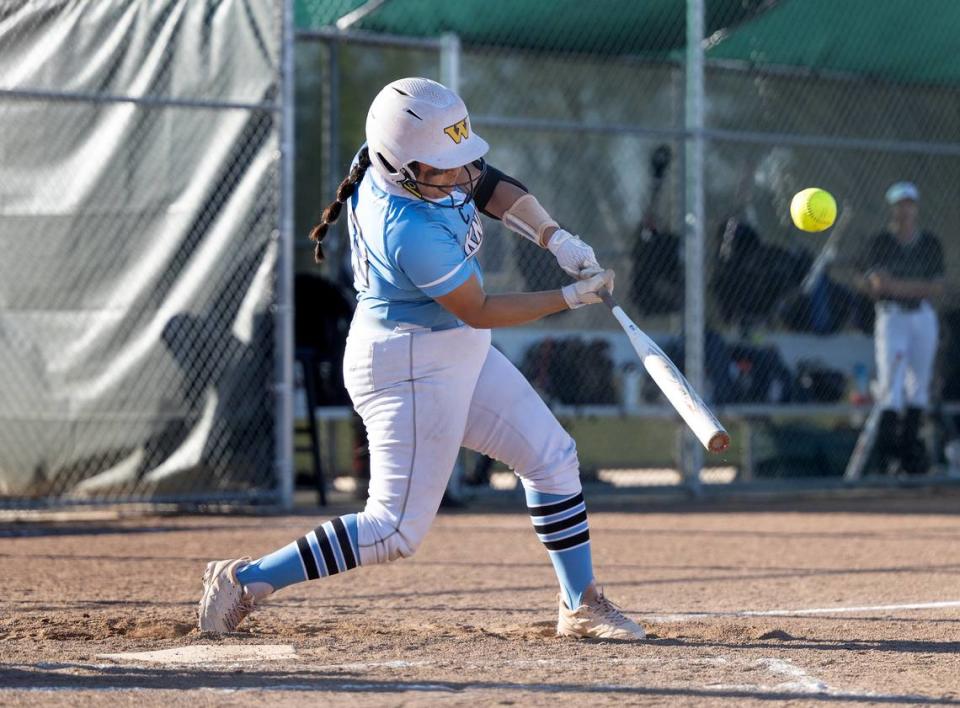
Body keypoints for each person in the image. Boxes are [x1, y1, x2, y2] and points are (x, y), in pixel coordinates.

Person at [197, 78, 644, 640]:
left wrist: (555, 238)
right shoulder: (405, 229)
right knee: (393, 532)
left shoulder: (411, 161)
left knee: (552, 456)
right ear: (400, 166)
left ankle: (580, 605)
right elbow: (478, 308)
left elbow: (488, 183)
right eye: (442, 169)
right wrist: (568, 298)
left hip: (455, 348)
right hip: (408, 364)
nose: (459, 177)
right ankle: (246, 580)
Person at [858, 181, 944, 475]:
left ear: (916, 208)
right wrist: (906, 288)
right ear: (891, 208)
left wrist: (898, 286)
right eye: (899, 204)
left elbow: (935, 287)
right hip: (892, 317)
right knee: (890, 386)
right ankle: (886, 459)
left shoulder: (930, 243)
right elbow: (879, 286)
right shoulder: (880, 242)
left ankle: (911, 456)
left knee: (918, 387)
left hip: (922, 317)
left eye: (908, 203)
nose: (904, 210)